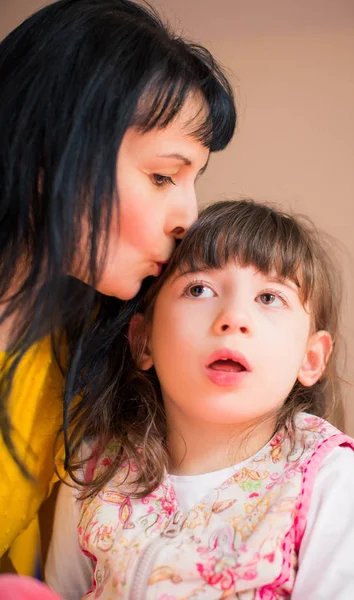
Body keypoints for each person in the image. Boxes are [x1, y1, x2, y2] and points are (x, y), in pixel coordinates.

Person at [46, 199, 354, 599]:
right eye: (199, 289)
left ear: (311, 359)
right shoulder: (94, 470)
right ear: (143, 340)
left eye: (269, 298)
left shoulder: (329, 477)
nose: (233, 317)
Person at [0, 0, 236, 574]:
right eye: (162, 176)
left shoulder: (79, 361)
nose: (188, 217)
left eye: (192, 180)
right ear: (51, 148)